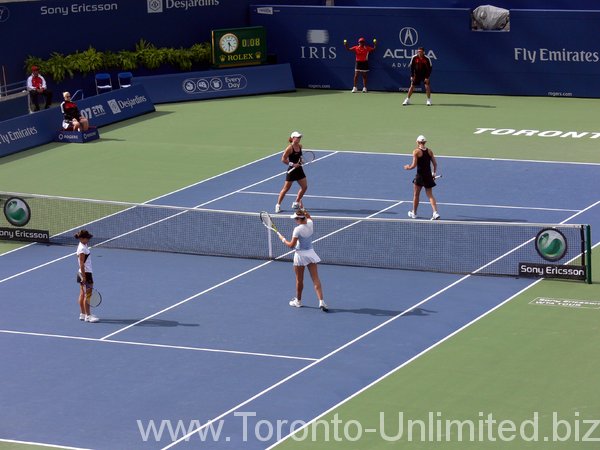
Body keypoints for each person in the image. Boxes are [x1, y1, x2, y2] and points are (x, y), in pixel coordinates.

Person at [279, 209, 328, 312]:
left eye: (295, 218)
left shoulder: (297, 229)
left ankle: (298, 301)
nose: (295, 220)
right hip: (311, 254)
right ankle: (321, 301)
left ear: (298, 219)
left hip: (300, 256)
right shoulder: (310, 223)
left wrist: (283, 239)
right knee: (316, 279)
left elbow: (291, 245)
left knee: (299, 280)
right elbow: (309, 216)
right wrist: (303, 210)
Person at [403, 135, 440, 220]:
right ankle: (435, 213)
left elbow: (414, 165)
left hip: (420, 177)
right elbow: (435, 164)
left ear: (417, 142)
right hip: (428, 176)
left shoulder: (416, 151)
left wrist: (407, 167)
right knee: (430, 195)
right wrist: (433, 174)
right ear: (425, 142)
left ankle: (414, 213)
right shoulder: (430, 151)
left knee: (416, 195)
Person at [275, 131, 308, 214]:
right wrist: (293, 164)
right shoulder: (289, 148)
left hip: (299, 170)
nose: (299, 138)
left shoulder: (300, 146)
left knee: (304, 187)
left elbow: (299, 156)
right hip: (292, 171)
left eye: (300, 137)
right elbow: (283, 159)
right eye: (297, 137)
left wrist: (301, 160)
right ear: (293, 138)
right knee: (286, 188)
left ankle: (296, 202)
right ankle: (278, 205)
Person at [75, 229, 99, 323]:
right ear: (82, 238)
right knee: (88, 295)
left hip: (81, 273)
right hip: (86, 273)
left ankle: (83, 314)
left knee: (82, 293)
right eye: (87, 238)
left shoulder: (83, 245)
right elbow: (81, 263)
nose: (88, 239)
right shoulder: (82, 249)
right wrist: (84, 277)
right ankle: (88, 316)